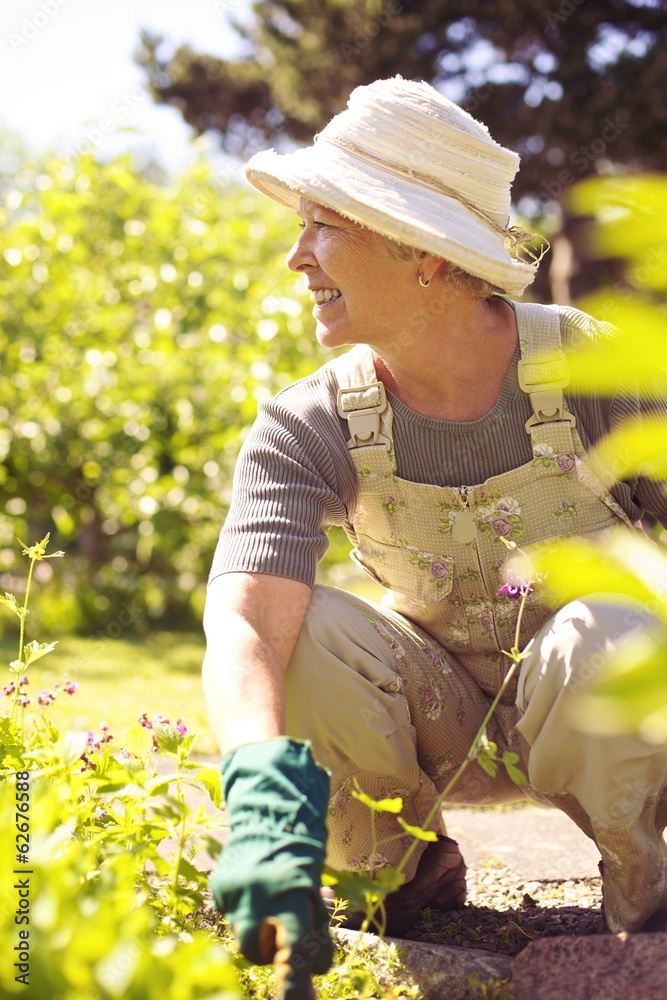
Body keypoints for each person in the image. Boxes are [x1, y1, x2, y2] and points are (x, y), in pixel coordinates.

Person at [202, 76, 667, 995]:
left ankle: (646, 894)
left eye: (321, 225)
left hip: (606, 716)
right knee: (306, 639)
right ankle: (396, 875)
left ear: (420, 251)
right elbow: (248, 623)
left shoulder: (596, 371)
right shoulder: (310, 423)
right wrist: (260, 804)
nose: (297, 258)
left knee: (610, 631)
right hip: (438, 717)